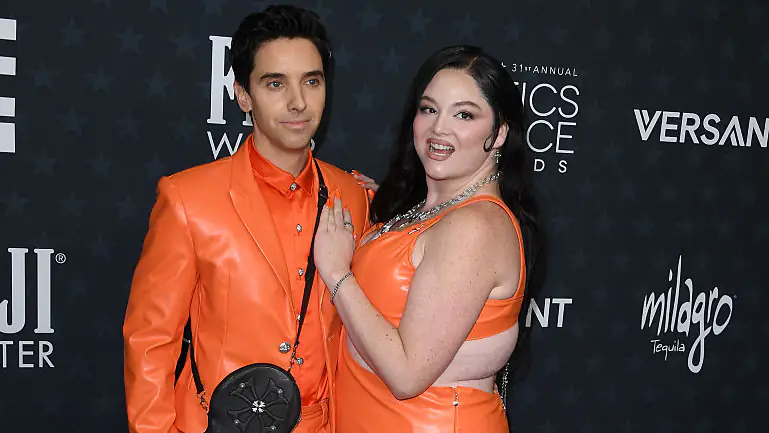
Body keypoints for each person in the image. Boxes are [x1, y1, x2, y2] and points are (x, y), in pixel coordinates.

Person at [122, 5, 371, 433]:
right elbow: (150, 340)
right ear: (242, 94)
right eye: (275, 84)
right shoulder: (188, 198)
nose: (298, 102)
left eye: (311, 81)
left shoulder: (353, 197)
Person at [313, 45, 542, 432]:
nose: (439, 128)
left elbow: (406, 375)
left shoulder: (475, 228)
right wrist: (382, 219)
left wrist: (337, 272)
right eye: (429, 109)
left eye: (464, 114)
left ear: (499, 132)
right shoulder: (435, 211)